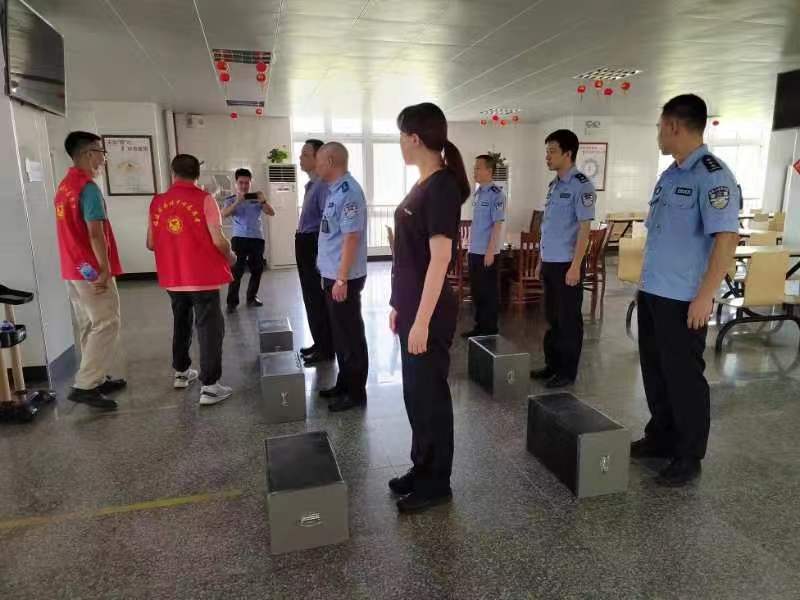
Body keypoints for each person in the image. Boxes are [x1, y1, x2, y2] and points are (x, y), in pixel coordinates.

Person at [632, 94, 740, 486]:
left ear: (674, 126)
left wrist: (705, 296)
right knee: (655, 371)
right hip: (654, 290)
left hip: (683, 298)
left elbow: (726, 239)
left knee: (683, 377)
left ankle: (688, 454)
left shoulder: (713, 176)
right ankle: (661, 436)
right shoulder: (671, 174)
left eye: (660, 127)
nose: (658, 134)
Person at [388, 102, 471, 513]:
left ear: (415, 138)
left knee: (430, 396)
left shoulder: (441, 188)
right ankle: (421, 467)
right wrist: (397, 305)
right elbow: (409, 255)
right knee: (414, 394)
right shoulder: (422, 183)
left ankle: (437, 482)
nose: (400, 144)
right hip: (412, 307)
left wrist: (421, 321)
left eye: (401, 137)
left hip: (430, 312)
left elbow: (440, 260)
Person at [147, 154, 237, 406]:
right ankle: (210, 387)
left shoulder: (157, 202)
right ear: (198, 174)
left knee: (181, 322)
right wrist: (231, 256)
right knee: (209, 328)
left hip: (173, 277)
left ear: (173, 173)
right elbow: (218, 240)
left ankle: (181, 372)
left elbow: (151, 243)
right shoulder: (205, 199)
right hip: (202, 277)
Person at [54, 131, 126, 410]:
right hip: (90, 269)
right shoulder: (88, 188)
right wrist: (103, 269)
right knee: (107, 322)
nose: (104, 159)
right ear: (88, 154)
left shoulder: (65, 186)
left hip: (73, 266)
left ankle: (95, 377)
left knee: (90, 323)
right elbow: (95, 233)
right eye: (101, 153)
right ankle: (85, 385)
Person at [530, 129, 596, 389]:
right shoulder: (554, 185)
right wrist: (540, 260)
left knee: (568, 320)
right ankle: (552, 365)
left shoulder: (581, 185)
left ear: (568, 154)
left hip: (568, 264)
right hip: (550, 261)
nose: (547, 156)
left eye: (552, 151)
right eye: (546, 151)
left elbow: (584, 229)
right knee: (553, 318)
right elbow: (548, 227)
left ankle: (567, 372)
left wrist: (576, 266)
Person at [314, 142, 369, 413]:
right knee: (340, 334)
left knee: (350, 335)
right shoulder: (335, 190)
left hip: (342, 277)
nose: (316, 166)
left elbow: (351, 238)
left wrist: (341, 279)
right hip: (333, 274)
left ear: (330, 161)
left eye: (318, 160)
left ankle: (356, 392)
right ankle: (344, 383)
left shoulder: (349, 192)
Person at [295, 139, 335, 367]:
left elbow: (326, 223)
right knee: (309, 297)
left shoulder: (322, 186)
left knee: (317, 298)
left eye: (305, 154)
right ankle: (319, 342)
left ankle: (326, 348)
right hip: (304, 242)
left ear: (318, 158)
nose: (300, 158)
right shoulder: (311, 185)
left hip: (313, 244)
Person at [461, 154, 505, 338]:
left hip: (488, 252)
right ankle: (479, 327)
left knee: (488, 292)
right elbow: (477, 224)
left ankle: (490, 329)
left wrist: (490, 251)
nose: (475, 171)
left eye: (478, 167)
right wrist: (469, 248)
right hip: (475, 251)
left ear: (489, 170)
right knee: (477, 291)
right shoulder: (478, 193)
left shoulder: (497, 194)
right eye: (475, 167)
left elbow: (497, 224)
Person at [221, 168, 274, 313]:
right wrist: (237, 202)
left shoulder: (257, 199)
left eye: (246, 183)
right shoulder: (231, 199)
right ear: (236, 183)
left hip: (257, 238)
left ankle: (251, 298)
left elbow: (271, 212)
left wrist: (263, 201)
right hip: (239, 239)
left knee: (257, 269)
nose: (244, 185)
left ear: (251, 183)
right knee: (236, 271)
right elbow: (224, 214)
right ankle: (232, 303)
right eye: (241, 182)